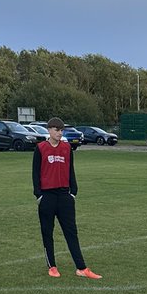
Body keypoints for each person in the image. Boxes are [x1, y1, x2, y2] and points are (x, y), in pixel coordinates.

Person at [32, 117, 100, 280]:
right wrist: (39, 195)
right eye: (57, 130)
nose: (59, 133)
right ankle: (52, 266)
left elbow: (71, 170)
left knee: (71, 232)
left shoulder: (67, 148)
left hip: (64, 196)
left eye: (61, 130)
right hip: (47, 196)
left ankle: (81, 268)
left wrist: (73, 191)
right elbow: (35, 173)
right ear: (49, 130)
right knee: (47, 232)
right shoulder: (40, 148)